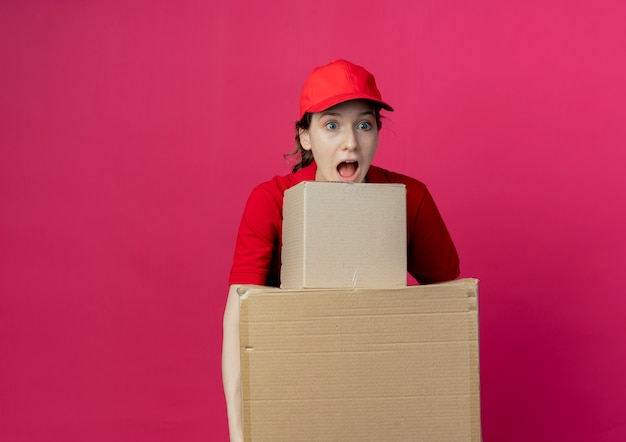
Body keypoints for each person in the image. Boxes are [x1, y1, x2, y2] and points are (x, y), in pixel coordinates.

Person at [222, 59, 460, 441]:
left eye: (364, 125)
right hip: (292, 392)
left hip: (381, 396)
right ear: (305, 136)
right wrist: (240, 433)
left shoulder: (409, 200)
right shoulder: (272, 201)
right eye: (332, 125)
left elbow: (450, 312)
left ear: (377, 133)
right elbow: (238, 319)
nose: (351, 142)